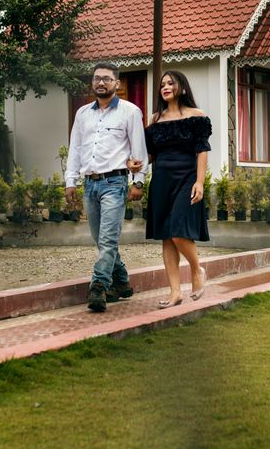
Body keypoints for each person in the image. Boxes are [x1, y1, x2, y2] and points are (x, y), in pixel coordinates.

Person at [65, 62, 148, 313]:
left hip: (115, 183)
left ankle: (99, 286)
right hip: (90, 184)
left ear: (117, 84)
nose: (101, 83)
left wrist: (139, 182)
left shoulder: (130, 112)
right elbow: (75, 149)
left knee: (108, 239)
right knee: (101, 240)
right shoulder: (82, 114)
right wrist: (71, 181)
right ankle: (121, 281)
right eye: (97, 78)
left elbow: (139, 150)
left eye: (106, 79)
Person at [129, 70, 212, 308]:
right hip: (162, 180)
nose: (165, 87)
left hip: (187, 178)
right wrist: (136, 164)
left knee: (178, 231)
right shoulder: (155, 120)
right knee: (167, 237)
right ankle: (175, 292)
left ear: (182, 87)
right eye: (162, 84)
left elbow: (202, 150)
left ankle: (197, 269)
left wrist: (200, 182)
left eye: (170, 83)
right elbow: (150, 155)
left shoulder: (197, 116)